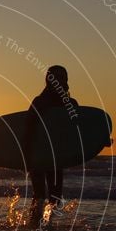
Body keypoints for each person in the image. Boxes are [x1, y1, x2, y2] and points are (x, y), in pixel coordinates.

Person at [25, 65, 79, 221]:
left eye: (63, 77)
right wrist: (27, 156)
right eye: (56, 77)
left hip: (56, 155)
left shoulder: (71, 104)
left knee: (55, 197)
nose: (60, 81)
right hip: (38, 153)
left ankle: (45, 225)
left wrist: (100, 140)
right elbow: (28, 130)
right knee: (39, 195)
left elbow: (78, 131)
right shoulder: (40, 102)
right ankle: (34, 225)